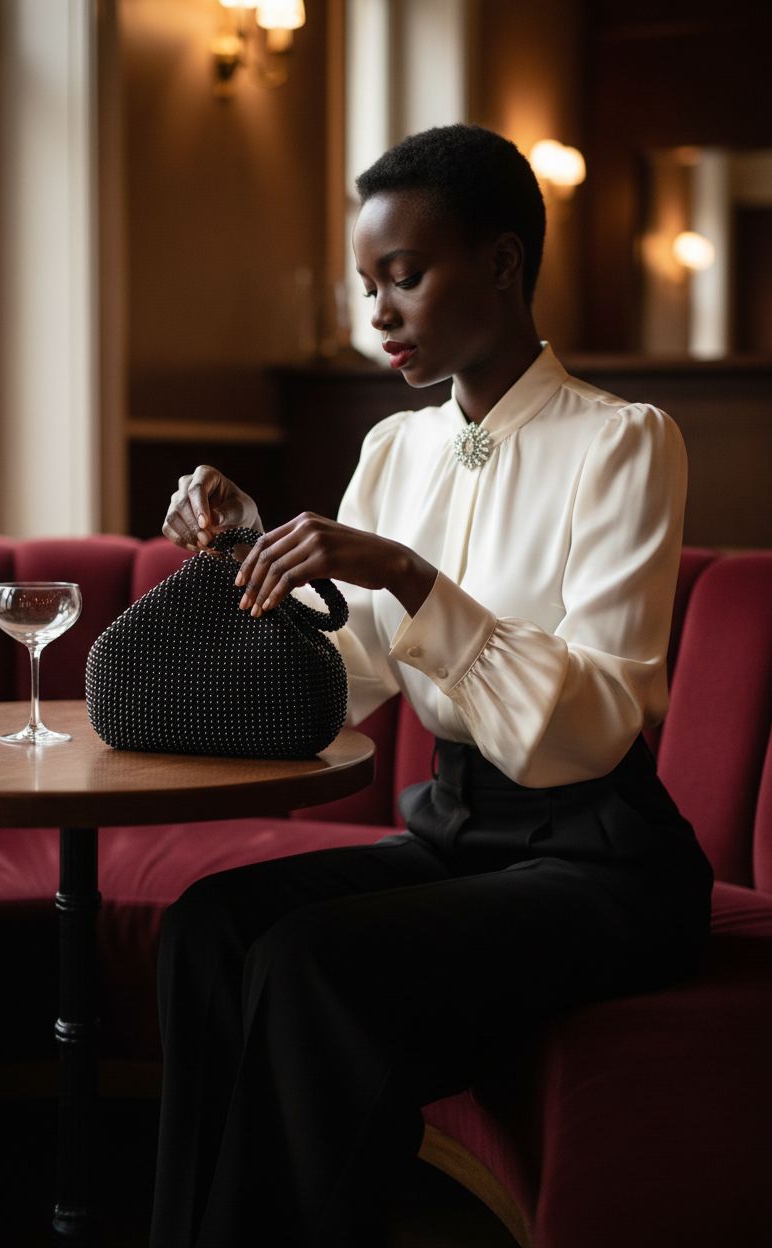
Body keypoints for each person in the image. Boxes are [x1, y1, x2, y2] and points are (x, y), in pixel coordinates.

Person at [151, 124, 713, 1248]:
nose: (380, 315)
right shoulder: (395, 448)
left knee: (317, 962)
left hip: (600, 856)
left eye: (404, 277)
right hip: (457, 831)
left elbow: (597, 727)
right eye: (369, 285)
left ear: (503, 264)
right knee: (207, 926)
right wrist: (238, 552)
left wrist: (410, 573)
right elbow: (345, 680)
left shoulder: (623, 442)